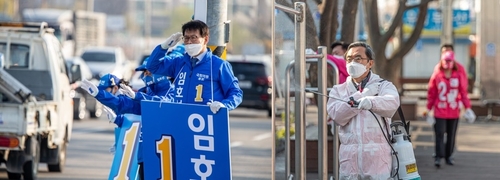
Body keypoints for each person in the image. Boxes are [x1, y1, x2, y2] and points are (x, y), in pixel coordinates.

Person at [326, 42, 400, 179]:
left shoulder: (383, 86)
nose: (352, 62)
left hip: (378, 163)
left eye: (358, 58)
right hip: (350, 164)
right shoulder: (339, 90)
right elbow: (337, 115)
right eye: (349, 59)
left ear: (370, 63)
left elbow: (392, 103)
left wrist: (371, 102)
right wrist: (361, 96)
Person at [146, 20, 243, 113]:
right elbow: (152, 66)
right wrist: (164, 47)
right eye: (186, 38)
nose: (189, 42)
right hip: (181, 118)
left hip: (207, 120)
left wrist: (224, 105)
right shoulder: (179, 62)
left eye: (194, 37)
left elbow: (236, 93)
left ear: (205, 39)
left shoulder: (219, 65)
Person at [425, 51, 475, 168]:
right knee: (439, 134)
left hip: (453, 111)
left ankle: (449, 156)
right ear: (442, 61)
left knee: (451, 135)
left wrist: (468, 108)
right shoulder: (437, 75)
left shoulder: (458, 75)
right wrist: (428, 109)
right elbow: (432, 93)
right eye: (445, 61)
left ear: (453, 62)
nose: (447, 63)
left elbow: (463, 92)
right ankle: (438, 156)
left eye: (449, 61)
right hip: (440, 110)